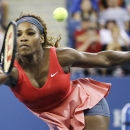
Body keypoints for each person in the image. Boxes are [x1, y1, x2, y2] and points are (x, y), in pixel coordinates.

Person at [1, 12, 130, 130]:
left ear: (41, 38)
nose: (23, 38)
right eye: (18, 34)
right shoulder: (12, 71)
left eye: (30, 33)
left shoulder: (62, 57)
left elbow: (104, 59)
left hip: (86, 105)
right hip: (57, 121)